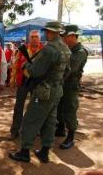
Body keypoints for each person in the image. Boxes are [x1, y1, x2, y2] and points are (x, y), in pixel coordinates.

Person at [9, 22, 71, 163]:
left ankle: (24, 152)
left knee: (30, 120)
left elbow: (36, 72)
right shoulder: (65, 48)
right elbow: (68, 71)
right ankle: (44, 151)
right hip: (57, 91)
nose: (45, 34)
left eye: (46, 32)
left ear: (52, 32)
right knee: (49, 121)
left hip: (44, 91)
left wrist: (27, 65)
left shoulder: (50, 49)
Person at [56, 25, 88, 149]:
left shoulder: (80, 51)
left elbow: (70, 68)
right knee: (60, 106)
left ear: (73, 36)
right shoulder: (69, 49)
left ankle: (71, 136)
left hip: (71, 84)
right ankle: (60, 129)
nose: (63, 38)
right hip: (63, 82)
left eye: (65, 36)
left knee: (70, 108)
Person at [9, 30, 43, 140]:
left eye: (36, 37)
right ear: (29, 39)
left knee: (36, 106)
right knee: (18, 106)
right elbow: (15, 65)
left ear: (39, 38)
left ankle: (35, 129)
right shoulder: (22, 50)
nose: (34, 39)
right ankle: (15, 131)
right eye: (32, 37)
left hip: (37, 83)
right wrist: (12, 79)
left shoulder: (44, 50)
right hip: (23, 81)